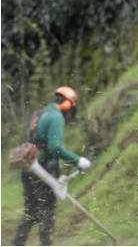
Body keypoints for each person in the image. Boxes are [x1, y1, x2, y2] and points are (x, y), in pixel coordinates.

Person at [13, 86, 93, 246]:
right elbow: (55, 148)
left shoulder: (39, 114)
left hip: (28, 167)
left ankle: (17, 243)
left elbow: (34, 141)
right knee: (47, 214)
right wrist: (78, 160)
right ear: (67, 104)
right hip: (44, 170)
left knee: (31, 211)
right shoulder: (56, 117)